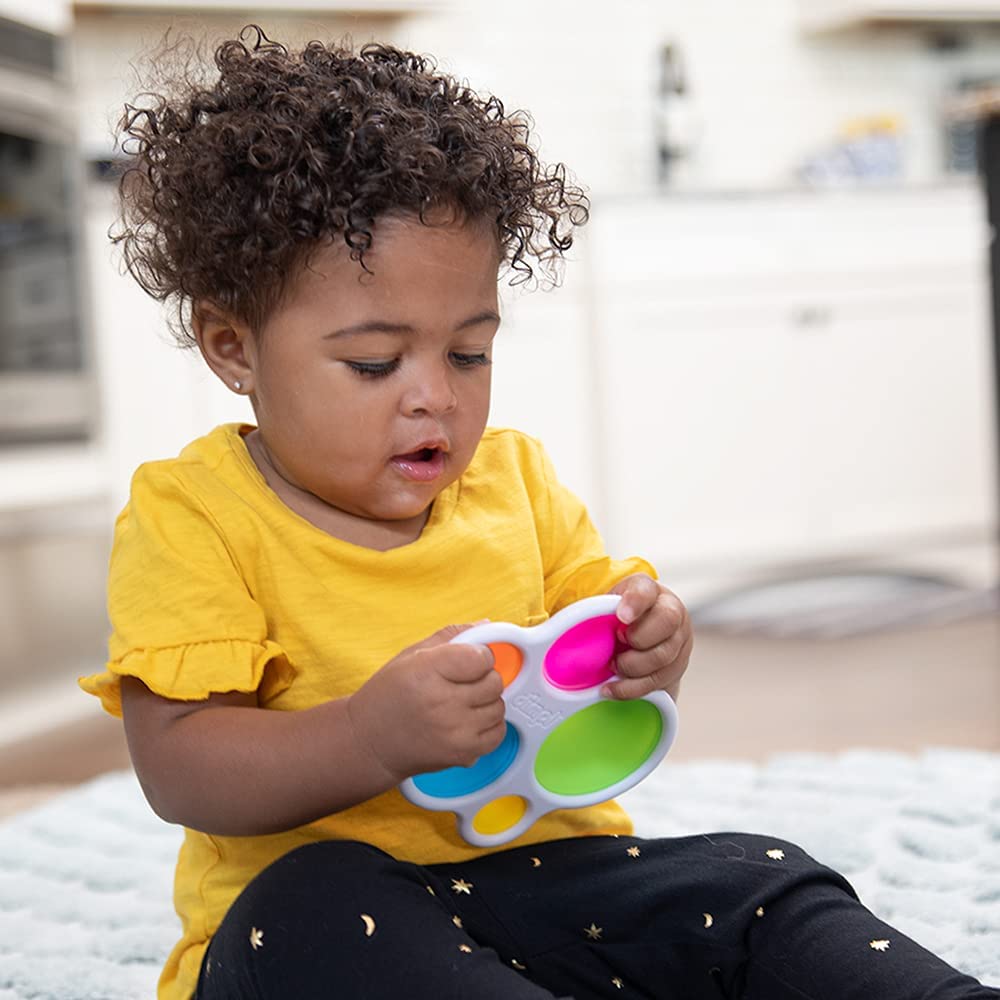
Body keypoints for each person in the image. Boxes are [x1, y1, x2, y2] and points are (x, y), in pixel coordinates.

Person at [80, 26, 998, 1000]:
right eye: (374, 363)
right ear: (233, 347)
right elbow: (180, 769)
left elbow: (597, 645)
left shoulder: (513, 480)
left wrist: (649, 645)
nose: (435, 397)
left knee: (757, 876)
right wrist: (368, 737)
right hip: (334, 931)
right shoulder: (194, 514)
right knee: (304, 905)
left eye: (469, 352)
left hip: (552, 891)